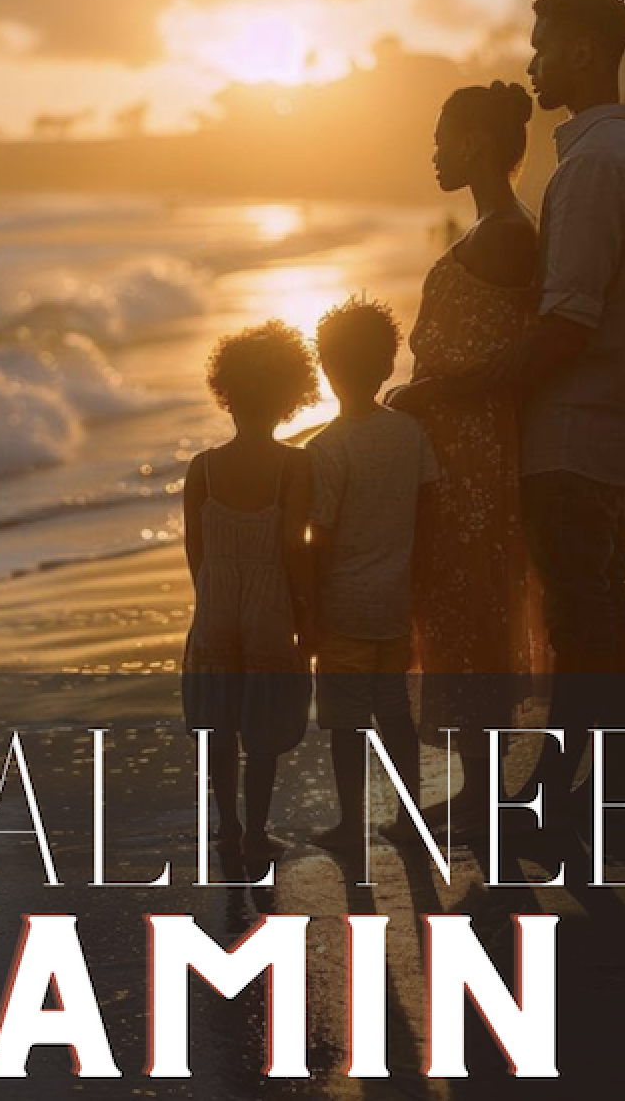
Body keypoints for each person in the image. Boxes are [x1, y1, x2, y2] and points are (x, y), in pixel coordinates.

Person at [399, 0, 625, 837]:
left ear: (586, 52)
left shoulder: (595, 166)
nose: (532, 62)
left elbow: (566, 325)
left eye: (544, 45)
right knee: (608, 609)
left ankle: (560, 799)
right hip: (618, 422)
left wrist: (447, 388)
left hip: (569, 430)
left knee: (580, 620)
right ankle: (610, 794)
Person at [387, 81, 550, 830]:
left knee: (473, 604)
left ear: (477, 144)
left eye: (442, 137)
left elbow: (517, 357)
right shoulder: (495, 223)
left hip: (474, 446)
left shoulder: (509, 231)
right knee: (454, 603)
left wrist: (431, 394)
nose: (434, 153)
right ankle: (476, 782)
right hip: (454, 443)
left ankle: (484, 789)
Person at [306, 297, 440, 854]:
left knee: (344, 722)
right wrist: (419, 582)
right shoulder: (409, 432)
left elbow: (323, 536)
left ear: (326, 370)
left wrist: (308, 608)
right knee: (394, 714)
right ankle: (409, 814)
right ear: (387, 367)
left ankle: (350, 822)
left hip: (343, 606)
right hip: (393, 601)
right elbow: (430, 507)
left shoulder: (326, 447)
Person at [181, 321, 317, 864]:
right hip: (268, 608)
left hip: (214, 607)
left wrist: (211, 599)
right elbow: (293, 547)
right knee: (261, 730)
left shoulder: (203, 470)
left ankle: (228, 826)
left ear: (226, 394)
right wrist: (305, 613)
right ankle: (258, 830)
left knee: (218, 725)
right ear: (288, 399)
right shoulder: (294, 467)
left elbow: (197, 553)